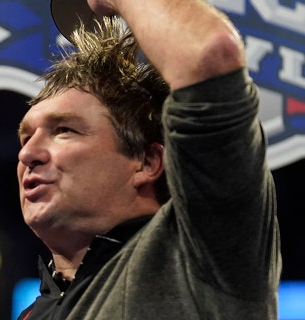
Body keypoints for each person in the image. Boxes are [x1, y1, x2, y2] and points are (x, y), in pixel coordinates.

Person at [15, 0, 281, 319]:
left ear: (147, 162)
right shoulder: (32, 314)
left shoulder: (200, 253)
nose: (28, 154)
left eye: (64, 130)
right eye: (26, 136)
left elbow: (210, 54)